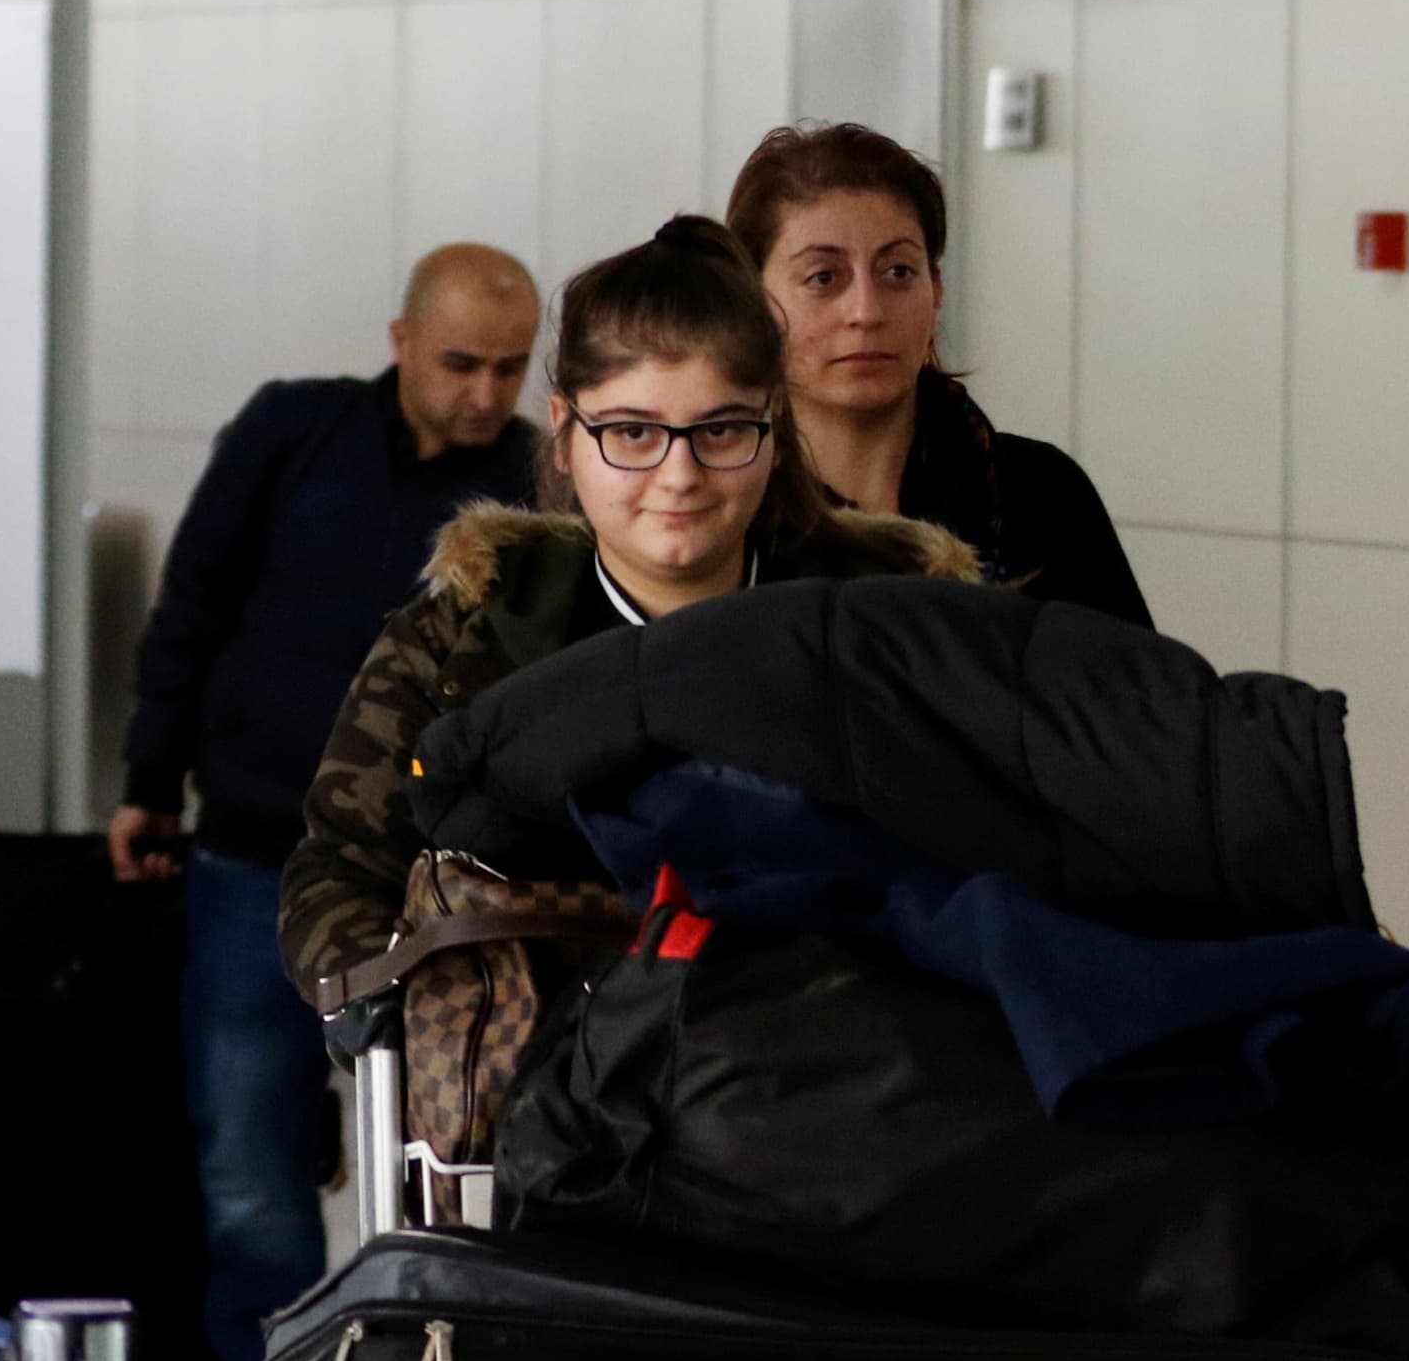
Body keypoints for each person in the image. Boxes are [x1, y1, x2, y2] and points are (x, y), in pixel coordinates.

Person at [280, 218, 977, 1003]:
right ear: (564, 432)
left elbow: (998, 852)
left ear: (775, 428)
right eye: (633, 432)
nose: (679, 475)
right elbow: (338, 868)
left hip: (835, 1056)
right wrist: (408, 1005)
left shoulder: (893, 621)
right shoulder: (463, 633)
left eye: (721, 429)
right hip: (530, 1061)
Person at [109, 243, 540, 1361]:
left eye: (509, 367)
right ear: (401, 342)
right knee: (248, 1144)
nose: (486, 393)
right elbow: (191, 606)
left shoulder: (537, 485)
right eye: (460, 363)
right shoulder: (291, 433)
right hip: (254, 846)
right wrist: (149, 782)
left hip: (435, 878)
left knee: (439, 1150)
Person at [724, 121, 1151, 623]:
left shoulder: (1042, 494)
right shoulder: (725, 507)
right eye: (823, 277)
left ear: (937, 291)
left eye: (898, 272)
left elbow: (1130, 674)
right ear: (752, 304)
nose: (866, 311)